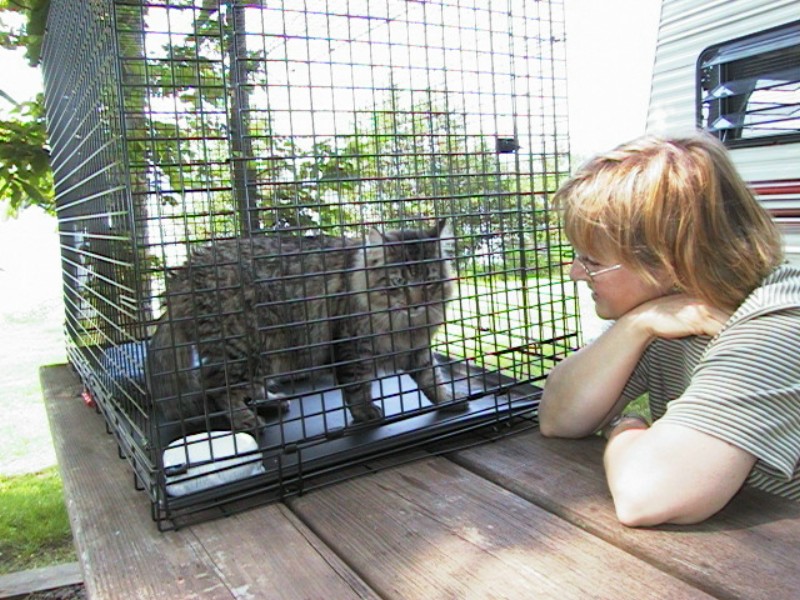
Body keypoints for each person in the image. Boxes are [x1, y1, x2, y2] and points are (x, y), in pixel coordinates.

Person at [538, 132, 800, 527]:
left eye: (592, 261)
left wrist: (627, 428)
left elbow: (646, 495)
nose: (577, 273)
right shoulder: (666, 311)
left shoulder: (777, 325)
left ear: (665, 262)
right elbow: (558, 417)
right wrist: (637, 325)